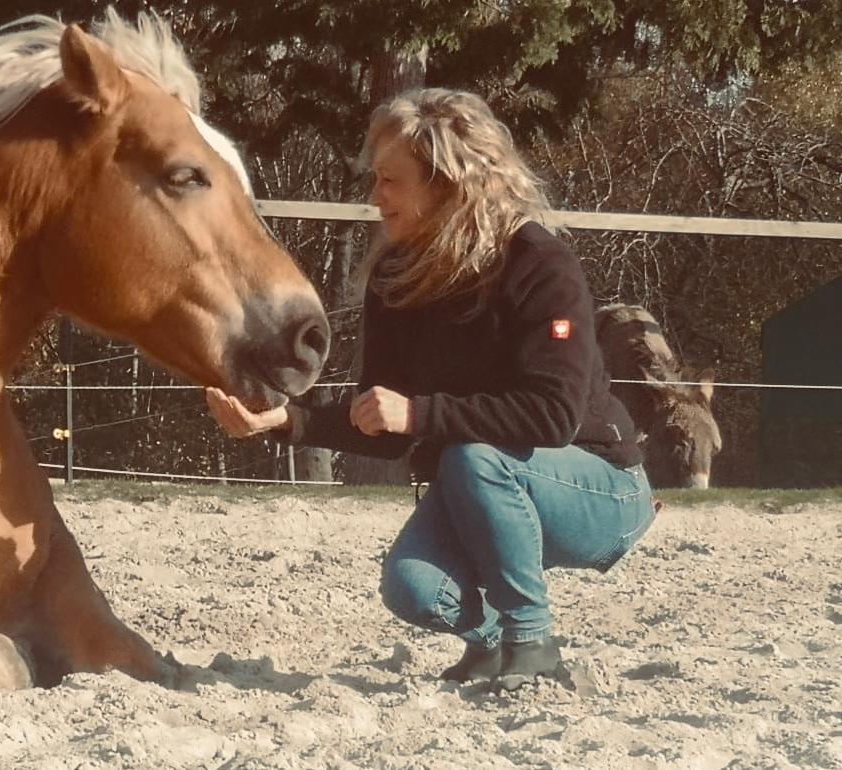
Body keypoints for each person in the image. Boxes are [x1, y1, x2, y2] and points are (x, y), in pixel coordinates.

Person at [205, 88, 656, 690]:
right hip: (487, 483)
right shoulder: (397, 275)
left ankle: (532, 640)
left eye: (391, 180)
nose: (375, 197)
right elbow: (385, 425)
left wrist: (419, 414)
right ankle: (491, 641)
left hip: (599, 487)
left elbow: (553, 418)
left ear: (446, 184)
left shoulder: (541, 266)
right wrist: (287, 421)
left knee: (473, 457)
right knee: (413, 589)